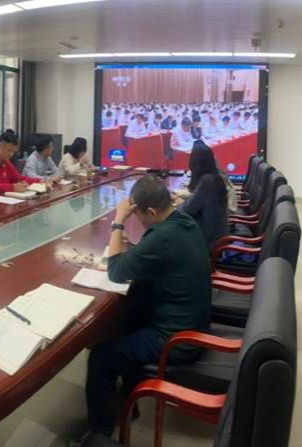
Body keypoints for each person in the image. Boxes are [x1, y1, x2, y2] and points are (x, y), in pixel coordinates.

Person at [85, 175, 210, 439]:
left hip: (177, 341)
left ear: (152, 212)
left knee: (100, 357)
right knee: (128, 320)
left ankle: (100, 436)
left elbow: (116, 271)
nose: (137, 220)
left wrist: (119, 220)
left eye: (138, 215)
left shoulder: (162, 236)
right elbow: (157, 254)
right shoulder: (184, 221)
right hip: (194, 324)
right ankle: (127, 400)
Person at [173, 142, 229, 250]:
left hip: (210, 241)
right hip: (216, 235)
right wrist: (185, 200)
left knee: (172, 233)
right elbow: (198, 201)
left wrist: (179, 204)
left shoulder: (207, 181)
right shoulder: (214, 177)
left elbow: (188, 210)